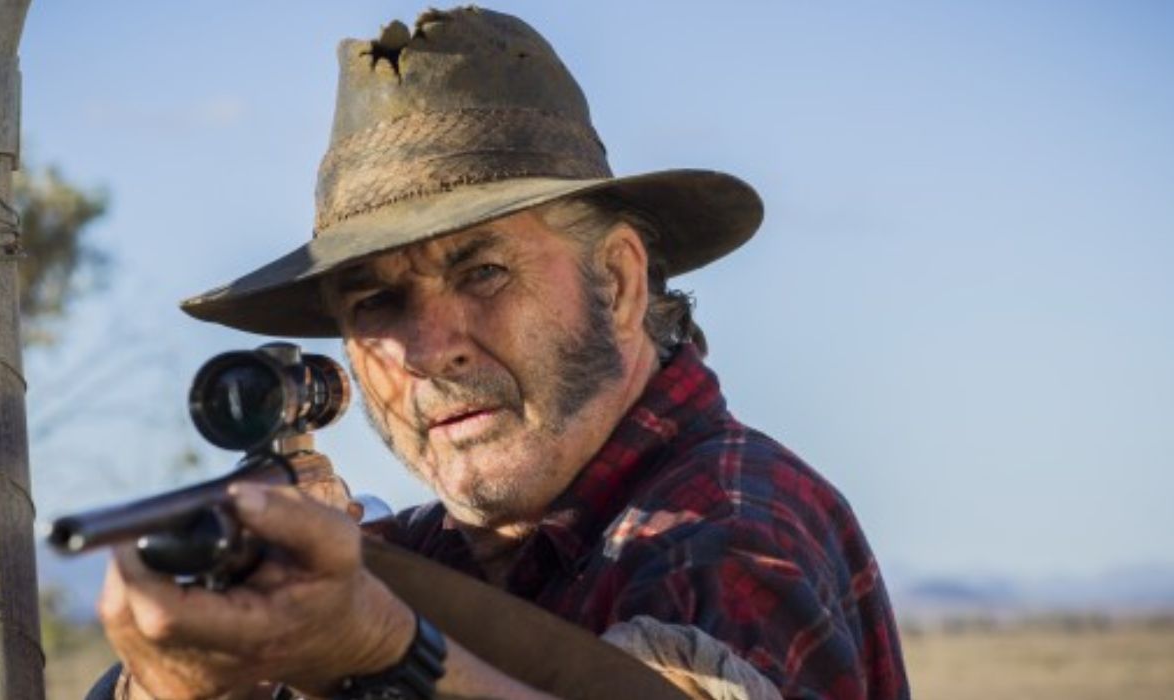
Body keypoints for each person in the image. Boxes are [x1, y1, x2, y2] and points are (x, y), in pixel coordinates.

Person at [94, 7, 910, 699]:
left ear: (619, 282)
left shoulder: (724, 533)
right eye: (376, 301)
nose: (428, 350)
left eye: (482, 271)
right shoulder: (429, 557)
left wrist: (383, 649)